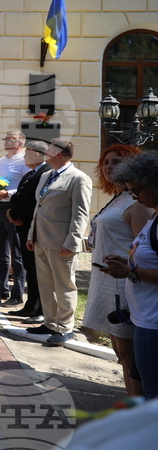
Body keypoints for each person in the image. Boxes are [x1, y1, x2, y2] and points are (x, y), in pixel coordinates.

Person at [82, 145, 150, 395]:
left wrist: (128, 267)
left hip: (124, 283)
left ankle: (137, 411)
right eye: (106, 162)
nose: (109, 166)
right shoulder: (119, 197)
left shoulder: (138, 202)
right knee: (119, 353)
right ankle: (131, 405)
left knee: (129, 355)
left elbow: (143, 247)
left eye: (117, 162)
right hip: (105, 280)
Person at [102, 151, 158, 399]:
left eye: (138, 190)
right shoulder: (153, 218)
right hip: (143, 319)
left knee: (151, 395)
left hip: (153, 325)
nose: (133, 196)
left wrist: (131, 271)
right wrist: (127, 261)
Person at [26, 138, 93, 346]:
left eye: (50, 149)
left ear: (59, 153)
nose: (45, 152)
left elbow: (80, 214)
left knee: (64, 285)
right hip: (41, 239)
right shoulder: (46, 175)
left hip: (62, 242)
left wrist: (72, 242)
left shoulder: (79, 178)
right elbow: (39, 208)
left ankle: (65, 327)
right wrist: (31, 234)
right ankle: (50, 322)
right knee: (45, 284)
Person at [5, 140, 51, 323]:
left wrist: (16, 213)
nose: (24, 155)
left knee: (36, 269)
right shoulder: (30, 173)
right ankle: (30, 306)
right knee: (30, 268)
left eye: (27, 152)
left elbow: (34, 201)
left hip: (32, 225)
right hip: (22, 225)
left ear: (38, 154)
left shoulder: (45, 172)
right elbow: (17, 197)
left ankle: (39, 308)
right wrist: (11, 213)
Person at [0, 130, 29, 306]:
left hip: (13, 209)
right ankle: (1, 288)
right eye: (5, 138)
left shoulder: (24, 160)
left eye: (10, 139)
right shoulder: (1, 160)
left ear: (20, 143)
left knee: (17, 253)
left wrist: (9, 193)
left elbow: (26, 187)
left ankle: (18, 293)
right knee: (0, 252)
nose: (6, 141)